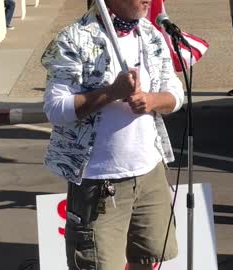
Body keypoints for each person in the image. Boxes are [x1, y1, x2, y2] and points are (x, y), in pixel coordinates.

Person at [41, 0, 184, 269]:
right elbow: (55, 108)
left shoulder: (151, 34)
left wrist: (152, 100)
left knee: (150, 257)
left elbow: (176, 94)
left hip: (150, 171)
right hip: (99, 181)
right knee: (98, 264)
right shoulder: (73, 38)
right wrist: (111, 93)